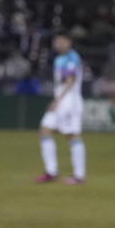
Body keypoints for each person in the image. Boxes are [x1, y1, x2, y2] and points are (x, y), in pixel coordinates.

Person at [35, 31, 87, 185]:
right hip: (61, 101)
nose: (58, 43)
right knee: (45, 130)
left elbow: (70, 81)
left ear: (68, 42)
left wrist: (57, 100)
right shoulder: (59, 59)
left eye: (61, 41)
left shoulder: (72, 57)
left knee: (72, 135)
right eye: (56, 41)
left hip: (69, 102)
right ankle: (51, 172)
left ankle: (79, 176)